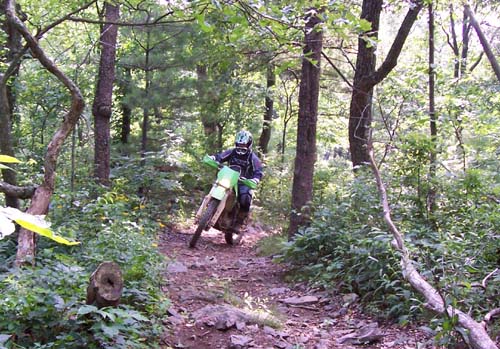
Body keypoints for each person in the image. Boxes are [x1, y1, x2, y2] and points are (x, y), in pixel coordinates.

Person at [209, 130, 263, 233]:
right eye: (239, 144)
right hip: (228, 178)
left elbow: (258, 170)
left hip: (243, 182)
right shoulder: (232, 152)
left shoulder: (252, 157)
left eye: (243, 144)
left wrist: (255, 179)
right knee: (216, 186)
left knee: (245, 197)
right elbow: (220, 157)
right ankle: (208, 212)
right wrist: (214, 158)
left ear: (249, 144)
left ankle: (239, 222)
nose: (241, 146)